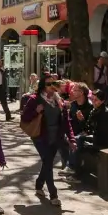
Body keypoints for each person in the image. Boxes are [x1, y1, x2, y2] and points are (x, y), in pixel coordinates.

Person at [20, 73, 76, 207]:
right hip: (40, 136)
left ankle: (39, 184)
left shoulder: (59, 101)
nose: (52, 86)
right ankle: (53, 194)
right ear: (43, 86)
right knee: (48, 163)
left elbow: (66, 122)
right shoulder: (34, 99)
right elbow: (25, 118)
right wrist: (36, 112)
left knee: (47, 163)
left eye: (54, 83)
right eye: (48, 84)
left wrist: (72, 139)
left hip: (56, 137)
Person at [64, 89, 108, 183]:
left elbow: (102, 133)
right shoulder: (95, 110)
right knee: (76, 140)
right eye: (93, 99)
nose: (94, 102)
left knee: (78, 142)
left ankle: (75, 172)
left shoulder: (106, 113)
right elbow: (88, 127)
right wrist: (82, 120)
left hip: (103, 142)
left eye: (96, 100)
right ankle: (73, 169)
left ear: (102, 101)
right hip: (95, 138)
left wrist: (88, 135)